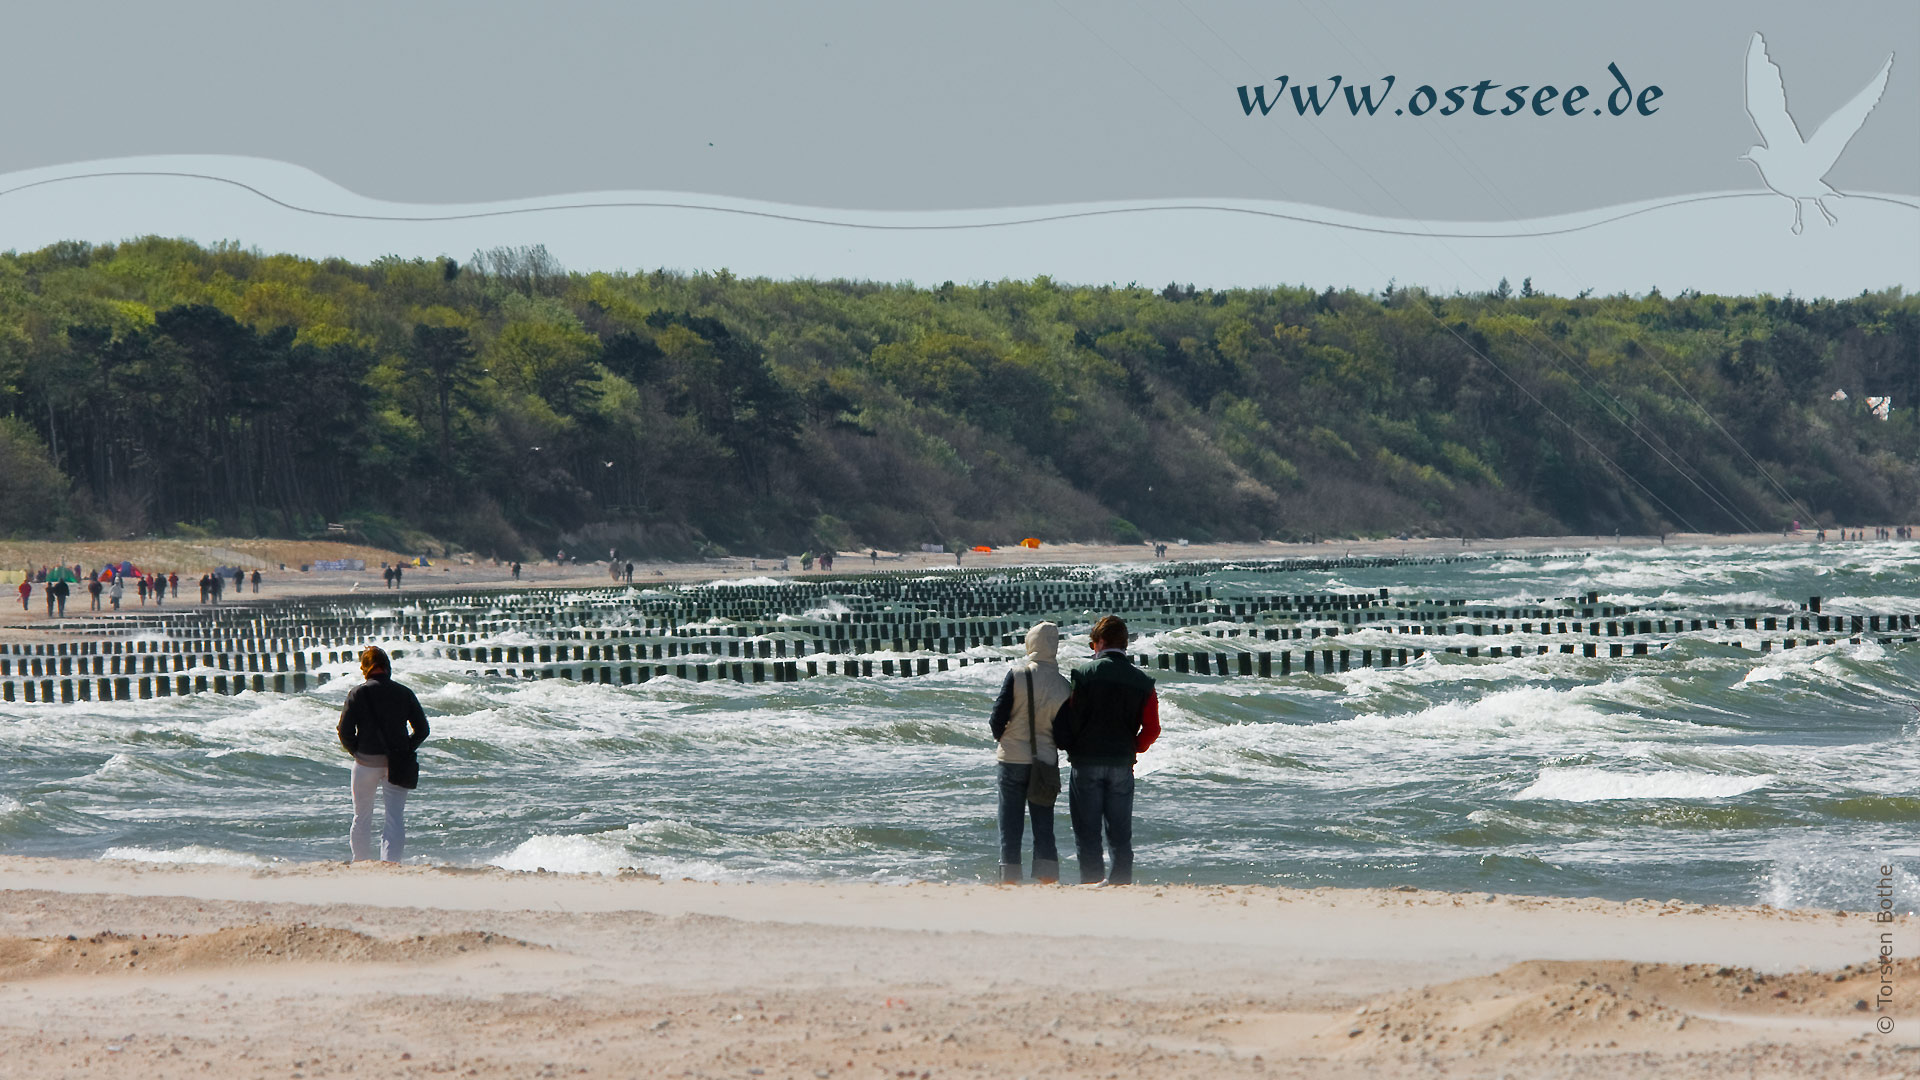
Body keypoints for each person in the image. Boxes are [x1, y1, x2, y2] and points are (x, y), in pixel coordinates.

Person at [1052, 615, 1160, 886]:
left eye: (1093, 644)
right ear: (1124, 644)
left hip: (1086, 760)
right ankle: (1120, 884)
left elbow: (1072, 718)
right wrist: (1134, 747)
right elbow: (1152, 728)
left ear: (1100, 642)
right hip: (1121, 763)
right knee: (1120, 834)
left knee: (1088, 833)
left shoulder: (1083, 675)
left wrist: (1070, 744)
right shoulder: (1143, 682)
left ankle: (1091, 883)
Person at [987, 622, 1071, 883]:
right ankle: (1046, 878)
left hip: (1011, 759)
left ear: (1030, 643)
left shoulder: (1017, 675)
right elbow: (1064, 735)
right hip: (1044, 762)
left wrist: (1006, 739)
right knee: (1043, 824)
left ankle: (1010, 878)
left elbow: (997, 718)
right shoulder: (1063, 686)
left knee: (1009, 825)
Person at [335, 645, 430, 863]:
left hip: (365, 764)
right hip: (396, 763)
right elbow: (422, 730)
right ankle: (390, 863)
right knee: (394, 817)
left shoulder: (357, 693)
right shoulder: (404, 693)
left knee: (361, 816)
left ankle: (360, 862)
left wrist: (357, 751)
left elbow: (345, 731)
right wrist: (405, 749)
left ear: (365, 668)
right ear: (387, 667)